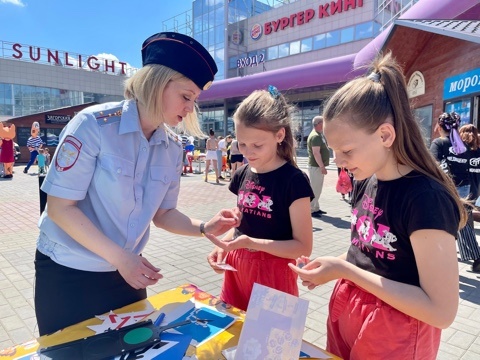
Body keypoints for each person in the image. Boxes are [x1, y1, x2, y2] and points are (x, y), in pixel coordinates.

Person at [34, 32, 241, 336]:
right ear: (157, 82)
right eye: (186, 96)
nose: (189, 109)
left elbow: (164, 213)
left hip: (127, 272)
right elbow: (60, 209)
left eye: (194, 100)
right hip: (69, 271)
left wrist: (203, 227)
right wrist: (122, 259)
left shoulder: (171, 146)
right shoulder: (93, 126)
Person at [289, 52, 467, 360]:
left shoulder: (425, 197)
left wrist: (345, 270)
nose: (339, 162)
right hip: (351, 310)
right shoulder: (366, 180)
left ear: (385, 134)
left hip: (396, 331)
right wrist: (332, 266)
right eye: (334, 150)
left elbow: (441, 311)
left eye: (346, 150)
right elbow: (367, 250)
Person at [206, 86, 314, 311]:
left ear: (280, 135)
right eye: (242, 144)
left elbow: (303, 246)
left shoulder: (294, 180)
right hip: (237, 270)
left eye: (257, 145)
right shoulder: (243, 173)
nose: (248, 152)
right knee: (234, 335)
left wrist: (252, 244)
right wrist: (224, 246)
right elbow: (243, 227)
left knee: (270, 341)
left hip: (274, 275)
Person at [430, 112, 470, 198]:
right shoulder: (464, 145)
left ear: (440, 128)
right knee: (462, 211)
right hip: (464, 187)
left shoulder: (438, 142)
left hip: (446, 187)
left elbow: (432, 164)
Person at [458, 124, 480, 271]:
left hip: (463, 190)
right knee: (467, 221)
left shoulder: (460, 151)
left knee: (464, 222)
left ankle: (475, 255)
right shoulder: (478, 150)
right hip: (475, 190)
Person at [307, 116, 329, 217]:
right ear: (319, 124)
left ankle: (315, 207)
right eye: (323, 123)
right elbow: (316, 153)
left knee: (317, 188)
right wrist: (322, 167)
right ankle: (311, 209)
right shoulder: (315, 136)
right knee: (315, 188)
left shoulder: (319, 135)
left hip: (317, 166)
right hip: (316, 167)